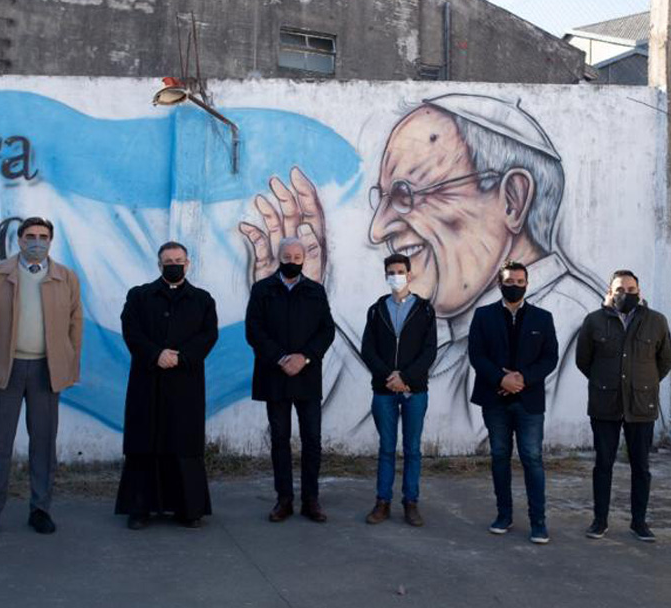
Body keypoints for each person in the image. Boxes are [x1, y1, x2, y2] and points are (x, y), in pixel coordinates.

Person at [239, 95, 602, 451]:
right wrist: (305, 299)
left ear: (512, 199)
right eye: (381, 199)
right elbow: (356, 423)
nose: (377, 230)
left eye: (405, 194)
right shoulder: (454, 327)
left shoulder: (573, 321)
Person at [0, 217, 83, 539]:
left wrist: (69, 368)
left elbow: (76, 325)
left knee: (44, 444)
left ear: (51, 241)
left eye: (43, 236)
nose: (37, 241)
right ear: (18, 240)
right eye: (30, 236)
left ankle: (40, 509)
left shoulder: (66, 277)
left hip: (47, 371)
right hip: (5, 370)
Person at [115, 242, 220, 529]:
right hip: (147, 380)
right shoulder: (139, 296)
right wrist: (155, 354)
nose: (173, 264)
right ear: (159, 265)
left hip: (185, 383)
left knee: (184, 444)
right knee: (143, 443)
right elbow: (131, 331)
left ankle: (188, 509)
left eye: (178, 259)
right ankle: (139, 509)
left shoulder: (202, 299)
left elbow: (208, 335)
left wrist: (181, 357)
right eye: (167, 261)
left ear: (188, 263)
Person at [575, 270, 671, 542]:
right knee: (603, 464)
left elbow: (664, 361)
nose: (625, 294)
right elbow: (584, 360)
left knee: (640, 466)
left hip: (641, 405)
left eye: (631, 289)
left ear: (639, 292)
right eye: (620, 289)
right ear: (610, 291)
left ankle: (639, 522)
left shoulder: (656, 321)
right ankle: (600, 520)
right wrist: (604, 382)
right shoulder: (594, 321)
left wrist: (643, 384)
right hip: (605, 404)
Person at [246, 237, 336, 523]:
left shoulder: (315, 291)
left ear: (303, 259)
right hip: (274, 376)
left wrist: (304, 357)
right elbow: (254, 330)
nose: (292, 260)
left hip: (307, 377)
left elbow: (326, 331)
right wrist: (281, 358)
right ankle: (283, 499)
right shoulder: (262, 290)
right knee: (280, 440)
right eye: (287, 255)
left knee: (312, 439)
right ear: (278, 256)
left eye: (297, 256)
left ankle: (311, 499)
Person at [468, 261, 559, 544]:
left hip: (528, 400)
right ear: (500, 283)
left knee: (532, 458)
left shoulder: (543, 318)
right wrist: (501, 379)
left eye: (520, 281)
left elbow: (550, 357)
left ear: (527, 284)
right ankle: (503, 515)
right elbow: (476, 354)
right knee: (499, 456)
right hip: (494, 399)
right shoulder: (483, 316)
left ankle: (538, 522)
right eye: (510, 281)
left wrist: (522, 379)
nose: (515, 285)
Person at [359, 253, 438, 526]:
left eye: (400, 271)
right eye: (391, 272)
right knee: (386, 448)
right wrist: (388, 377)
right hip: (383, 391)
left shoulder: (425, 310)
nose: (396, 276)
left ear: (409, 274)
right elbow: (367, 349)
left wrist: (405, 377)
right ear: (385, 275)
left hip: (414, 391)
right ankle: (382, 503)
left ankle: (410, 503)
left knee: (413, 449)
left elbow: (429, 351)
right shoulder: (376, 309)